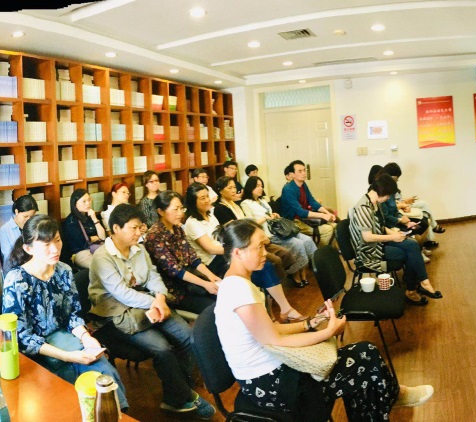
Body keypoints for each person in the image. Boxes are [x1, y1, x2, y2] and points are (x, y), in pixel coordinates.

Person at [214, 219, 434, 421]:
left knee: (365, 358)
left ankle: (391, 393)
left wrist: (309, 324)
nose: (265, 252)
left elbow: (269, 329)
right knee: (365, 359)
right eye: (259, 247)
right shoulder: (240, 290)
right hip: (271, 384)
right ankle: (392, 393)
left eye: (265, 245)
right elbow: (275, 339)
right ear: (238, 252)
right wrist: (328, 332)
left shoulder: (235, 283)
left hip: (272, 370)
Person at [89, 204, 215, 418]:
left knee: (187, 337)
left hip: (147, 303)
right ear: (116, 228)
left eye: (140, 227)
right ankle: (184, 396)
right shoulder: (103, 257)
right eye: (133, 228)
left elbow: (153, 276)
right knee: (162, 348)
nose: (138, 233)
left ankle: (177, 393)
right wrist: (155, 302)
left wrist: (161, 297)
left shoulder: (139, 249)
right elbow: (121, 294)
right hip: (116, 312)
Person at [1, 214, 129, 410]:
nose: (55, 249)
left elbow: (73, 315)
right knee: (69, 398)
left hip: (67, 342)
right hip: (37, 354)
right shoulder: (16, 279)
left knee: (105, 377)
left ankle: (116, 413)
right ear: (28, 249)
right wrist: (69, 356)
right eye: (46, 244)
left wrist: (86, 338)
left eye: (57, 240)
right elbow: (22, 337)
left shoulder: (64, 270)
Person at [186, 183, 304, 322]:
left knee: (265, 264)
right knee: (262, 267)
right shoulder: (192, 223)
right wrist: (242, 248)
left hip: (228, 253)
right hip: (214, 262)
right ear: (193, 202)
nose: (207, 200)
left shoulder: (210, 215)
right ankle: (276, 311)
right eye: (202, 198)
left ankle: (280, 309)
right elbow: (211, 249)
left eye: (207, 196)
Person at [351, 174, 443, 306]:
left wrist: (394, 233)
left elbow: (381, 226)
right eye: (388, 195)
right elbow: (367, 237)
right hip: (370, 251)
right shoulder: (363, 207)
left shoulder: (375, 203)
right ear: (382, 191)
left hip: (379, 243)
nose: (388, 198)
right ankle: (414, 288)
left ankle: (422, 283)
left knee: (412, 244)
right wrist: (393, 237)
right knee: (408, 253)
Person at [213, 176, 308, 288]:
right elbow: (237, 231)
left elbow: (246, 224)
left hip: (257, 237)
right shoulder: (220, 208)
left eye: (234, 187)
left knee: (285, 253)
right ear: (220, 190)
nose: (234, 190)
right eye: (230, 188)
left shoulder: (236, 205)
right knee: (276, 260)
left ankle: (280, 279)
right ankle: (274, 285)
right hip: (246, 243)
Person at [145, 191, 222, 314]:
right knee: (214, 307)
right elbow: (175, 270)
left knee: (223, 296)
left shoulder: (177, 229)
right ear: (161, 211)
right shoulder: (154, 236)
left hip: (190, 281)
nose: (180, 213)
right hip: (174, 290)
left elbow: (192, 257)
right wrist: (205, 284)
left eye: (181, 208)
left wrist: (210, 276)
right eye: (175, 210)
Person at [240, 176, 318, 288]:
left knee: (307, 240)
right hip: (267, 234)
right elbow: (251, 223)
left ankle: (305, 271)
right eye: (257, 186)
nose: (261, 188)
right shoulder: (246, 203)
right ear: (250, 187)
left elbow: (270, 214)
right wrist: (266, 218)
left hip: (278, 230)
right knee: (298, 244)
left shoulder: (263, 200)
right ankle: (295, 274)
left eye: (261, 186)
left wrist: (274, 215)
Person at [276, 160, 337, 246]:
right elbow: (300, 212)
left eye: (304, 170)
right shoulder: (288, 189)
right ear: (292, 174)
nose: (304, 173)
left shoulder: (303, 184)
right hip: (293, 222)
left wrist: (328, 213)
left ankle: (331, 251)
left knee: (334, 226)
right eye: (300, 171)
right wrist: (323, 215)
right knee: (328, 230)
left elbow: (312, 202)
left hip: (302, 219)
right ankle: (318, 253)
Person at [60, 189, 107, 269]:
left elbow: (103, 237)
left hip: (97, 248)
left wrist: (94, 219)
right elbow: (82, 243)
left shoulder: (91, 215)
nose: (88, 203)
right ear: (75, 204)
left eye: (89, 200)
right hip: (81, 253)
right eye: (84, 201)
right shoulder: (71, 221)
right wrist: (96, 237)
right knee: (101, 267)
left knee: (114, 261)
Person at [0, 194, 39, 268]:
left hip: (34, 266)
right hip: (14, 268)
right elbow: (8, 257)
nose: (28, 219)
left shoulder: (36, 226)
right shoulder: (5, 229)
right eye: (25, 216)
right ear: (16, 212)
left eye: (32, 216)